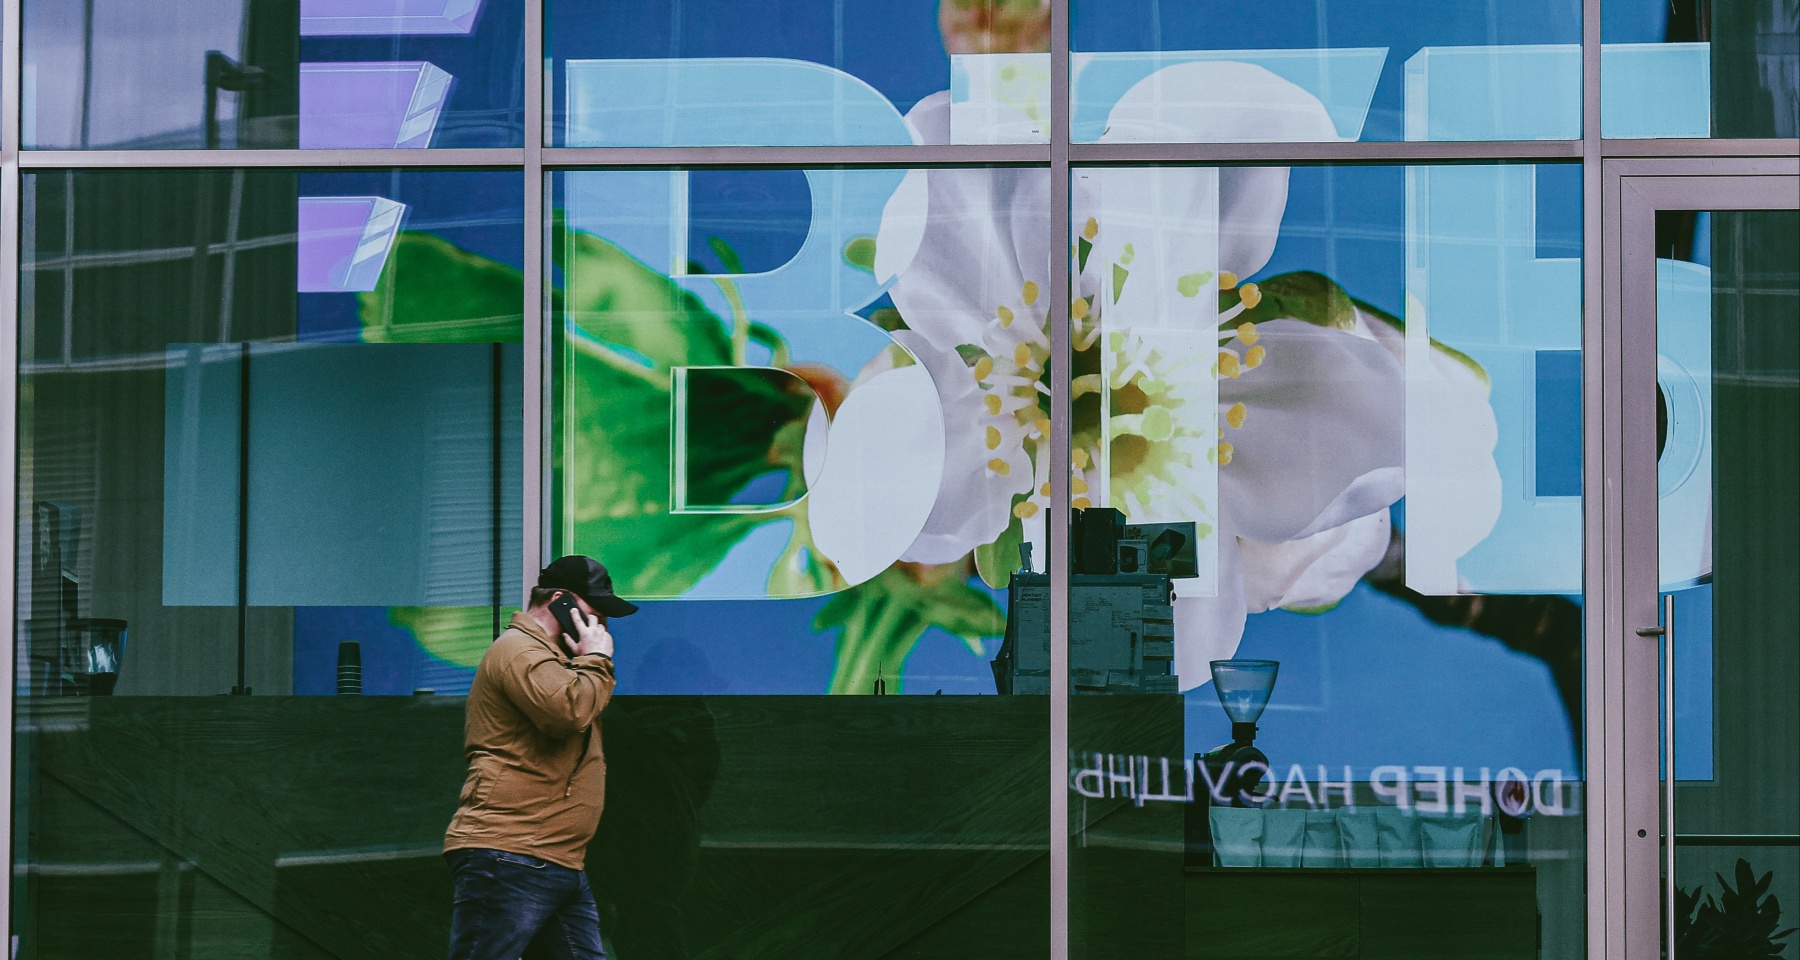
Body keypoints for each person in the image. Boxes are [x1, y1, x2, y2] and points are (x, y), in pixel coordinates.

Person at [443, 555, 638, 960]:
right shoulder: (519, 651)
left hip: (554, 859)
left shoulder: (555, 660)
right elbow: (569, 712)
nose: (600, 627)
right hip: (511, 853)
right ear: (562, 602)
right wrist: (598, 658)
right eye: (593, 613)